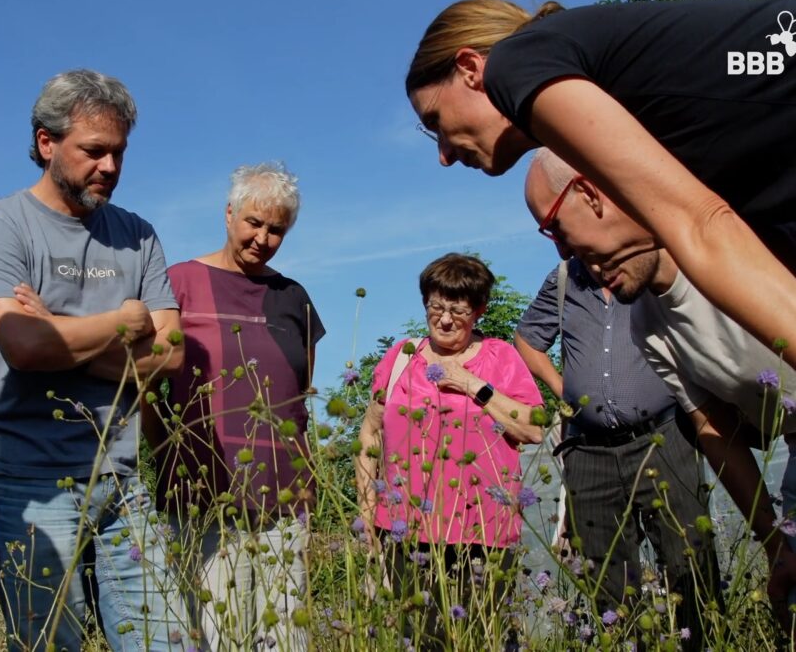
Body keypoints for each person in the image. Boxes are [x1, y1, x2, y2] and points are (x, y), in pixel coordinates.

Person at [404, 0, 796, 373]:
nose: (444, 155)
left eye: (435, 121)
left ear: (471, 68)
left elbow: (702, 225)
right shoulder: (646, 119)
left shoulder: (515, 61)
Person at [0, 69, 189, 651]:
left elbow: (168, 356)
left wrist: (60, 332)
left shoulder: (137, 235)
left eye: (118, 153)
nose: (109, 167)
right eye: (94, 151)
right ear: (46, 143)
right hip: (24, 478)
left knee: (163, 640)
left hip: (122, 475)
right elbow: (25, 347)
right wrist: (122, 324)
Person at [523, 147, 796, 622]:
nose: (562, 251)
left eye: (556, 227)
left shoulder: (735, 238)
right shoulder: (647, 325)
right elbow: (712, 427)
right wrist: (775, 545)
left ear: (590, 193)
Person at [146, 162, 324, 651]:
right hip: (203, 489)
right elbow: (148, 390)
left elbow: (301, 400)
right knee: (215, 630)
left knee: (284, 634)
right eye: (254, 222)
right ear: (229, 214)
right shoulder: (178, 284)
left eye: (276, 230)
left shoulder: (294, 299)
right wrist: (167, 458)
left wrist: (307, 480)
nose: (263, 238)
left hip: (283, 500)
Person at [515, 246, 719, 643]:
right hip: (588, 451)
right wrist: (564, 391)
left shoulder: (649, 267)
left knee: (690, 561)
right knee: (605, 577)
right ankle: (629, 643)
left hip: (662, 436)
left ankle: (704, 642)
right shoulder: (563, 280)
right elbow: (527, 340)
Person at [355, 253, 543, 646]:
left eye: (457, 310)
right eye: (435, 307)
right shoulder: (401, 358)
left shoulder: (501, 357)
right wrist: (367, 508)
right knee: (421, 638)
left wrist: (474, 386)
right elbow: (370, 434)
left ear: (479, 310)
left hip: (483, 532)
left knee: (481, 637)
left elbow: (533, 429)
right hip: (406, 531)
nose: (443, 320)